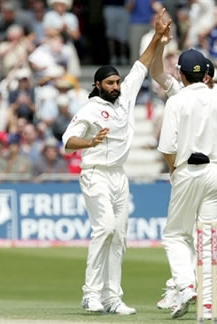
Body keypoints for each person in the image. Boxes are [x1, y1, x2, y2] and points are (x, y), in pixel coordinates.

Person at [61, 9, 170, 315]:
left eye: (116, 82)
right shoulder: (90, 109)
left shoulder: (125, 97)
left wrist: (160, 35)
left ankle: (112, 297)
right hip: (94, 173)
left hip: (118, 177)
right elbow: (68, 141)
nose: (115, 86)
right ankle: (90, 293)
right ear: (98, 85)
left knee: (120, 236)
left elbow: (142, 64)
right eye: (109, 83)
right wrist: (91, 141)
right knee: (105, 228)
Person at [151, 41, 217, 318]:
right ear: (206, 74)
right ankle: (207, 305)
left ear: (182, 75)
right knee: (207, 237)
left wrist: (174, 171)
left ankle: (185, 286)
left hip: (188, 171)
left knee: (175, 235)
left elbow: (167, 149)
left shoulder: (176, 100)